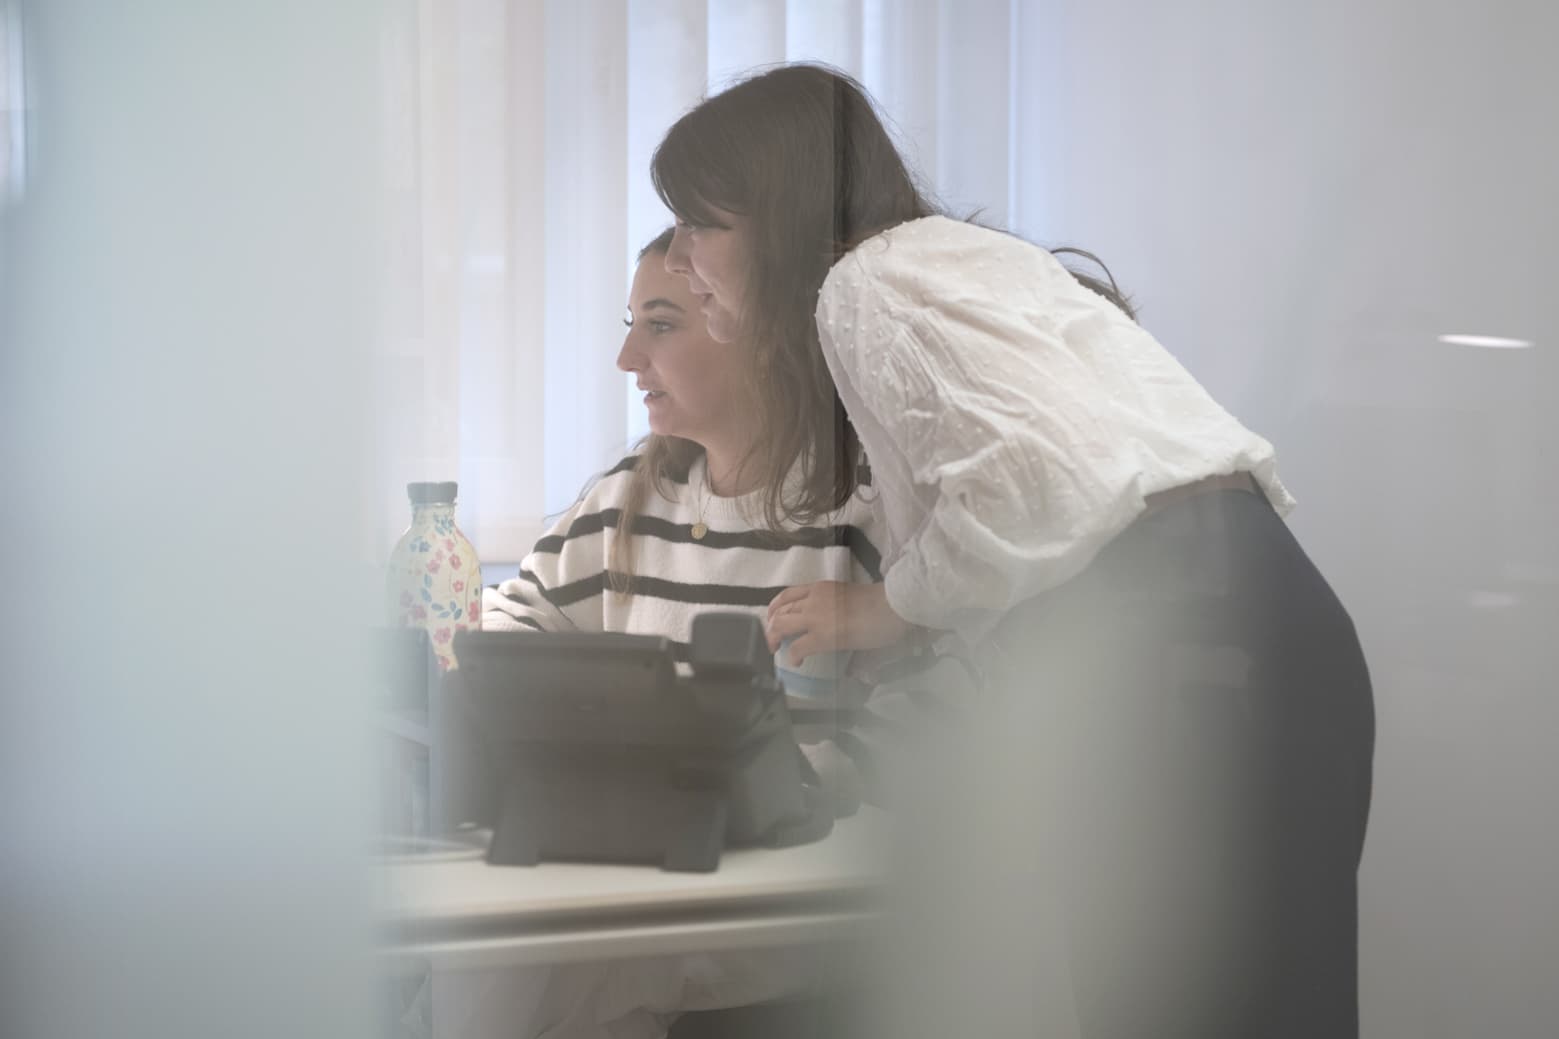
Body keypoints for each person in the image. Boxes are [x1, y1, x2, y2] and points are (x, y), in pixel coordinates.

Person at [650, 63, 1376, 1039]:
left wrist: (882, 610)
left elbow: (1025, 491)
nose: (680, 257)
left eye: (698, 225)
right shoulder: (965, 262)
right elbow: (1067, 490)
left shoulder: (862, 284)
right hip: (1268, 617)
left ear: (775, 218)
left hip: (1178, 648)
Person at [457, 228, 920, 1039]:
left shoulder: (863, 517)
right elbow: (511, 622)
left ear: (756, 333)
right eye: (629, 323)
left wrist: (790, 789)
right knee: (506, 951)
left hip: (776, 910)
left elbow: (931, 711)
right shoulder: (629, 500)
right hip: (640, 880)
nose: (627, 358)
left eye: (661, 324)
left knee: (526, 965)